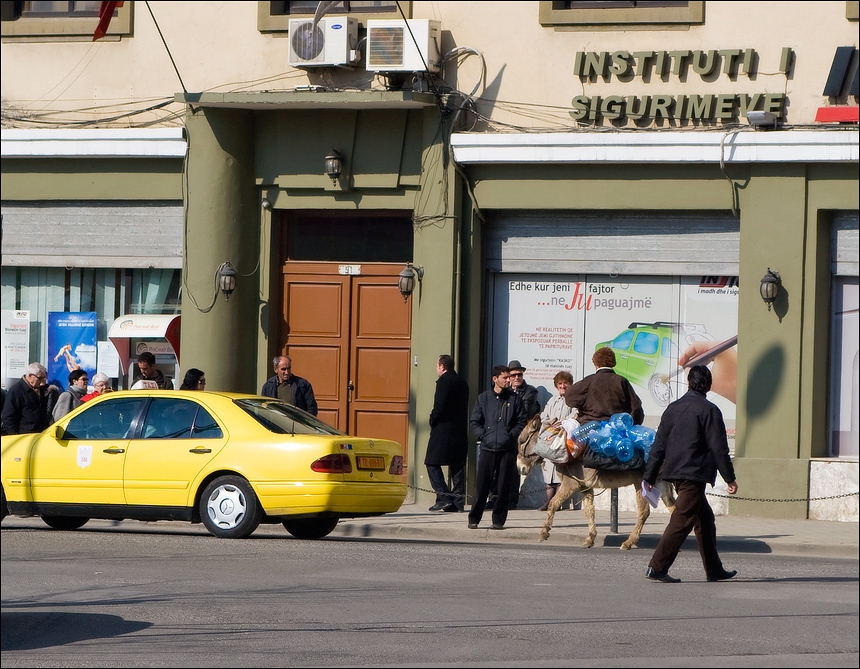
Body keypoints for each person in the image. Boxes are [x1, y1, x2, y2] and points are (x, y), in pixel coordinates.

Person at [642, 365, 738, 584]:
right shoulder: (709, 410)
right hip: (692, 475)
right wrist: (729, 478)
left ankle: (714, 569)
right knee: (681, 521)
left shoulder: (673, 408)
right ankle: (657, 567)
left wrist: (649, 476)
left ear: (688, 382)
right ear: (709, 384)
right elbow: (718, 448)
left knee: (705, 520)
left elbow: (658, 446)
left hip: (676, 472)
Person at [467, 364, 527, 530]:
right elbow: (475, 421)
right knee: (482, 486)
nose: (508, 380)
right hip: (487, 448)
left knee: (503, 486)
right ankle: (474, 519)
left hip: (507, 449)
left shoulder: (515, 399)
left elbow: (521, 421)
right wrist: (483, 435)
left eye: (509, 377)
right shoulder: (483, 398)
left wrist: (511, 435)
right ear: (495, 379)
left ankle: (498, 520)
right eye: (505, 377)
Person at [425, 355, 470, 513]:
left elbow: (440, 406)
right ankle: (458, 502)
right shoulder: (462, 382)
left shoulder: (444, 382)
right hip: (459, 430)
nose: (436, 369)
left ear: (442, 367)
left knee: (431, 463)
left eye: (437, 366)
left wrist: (432, 419)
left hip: (443, 430)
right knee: (457, 465)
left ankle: (443, 497)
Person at [565, 346, 644, 425]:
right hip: (616, 431)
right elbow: (636, 409)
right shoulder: (621, 381)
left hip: (589, 429)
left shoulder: (588, 381)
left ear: (595, 364)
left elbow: (569, 398)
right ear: (613, 363)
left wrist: (583, 407)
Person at [537, 370, 576, 511]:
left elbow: (574, 415)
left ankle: (558, 502)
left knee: (560, 469)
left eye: (565, 383)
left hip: (564, 439)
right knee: (548, 470)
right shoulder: (552, 400)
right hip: (550, 437)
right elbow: (544, 416)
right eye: (560, 383)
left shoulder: (573, 400)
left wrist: (563, 423)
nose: (563, 386)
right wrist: (550, 423)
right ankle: (548, 500)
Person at [1, 362, 49, 435]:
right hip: (24, 434)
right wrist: (15, 435)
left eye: (44, 378)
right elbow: (8, 416)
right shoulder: (16, 390)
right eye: (40, 378)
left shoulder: (41, 389)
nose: (42, 381)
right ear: (30, 376)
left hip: (39, 433)